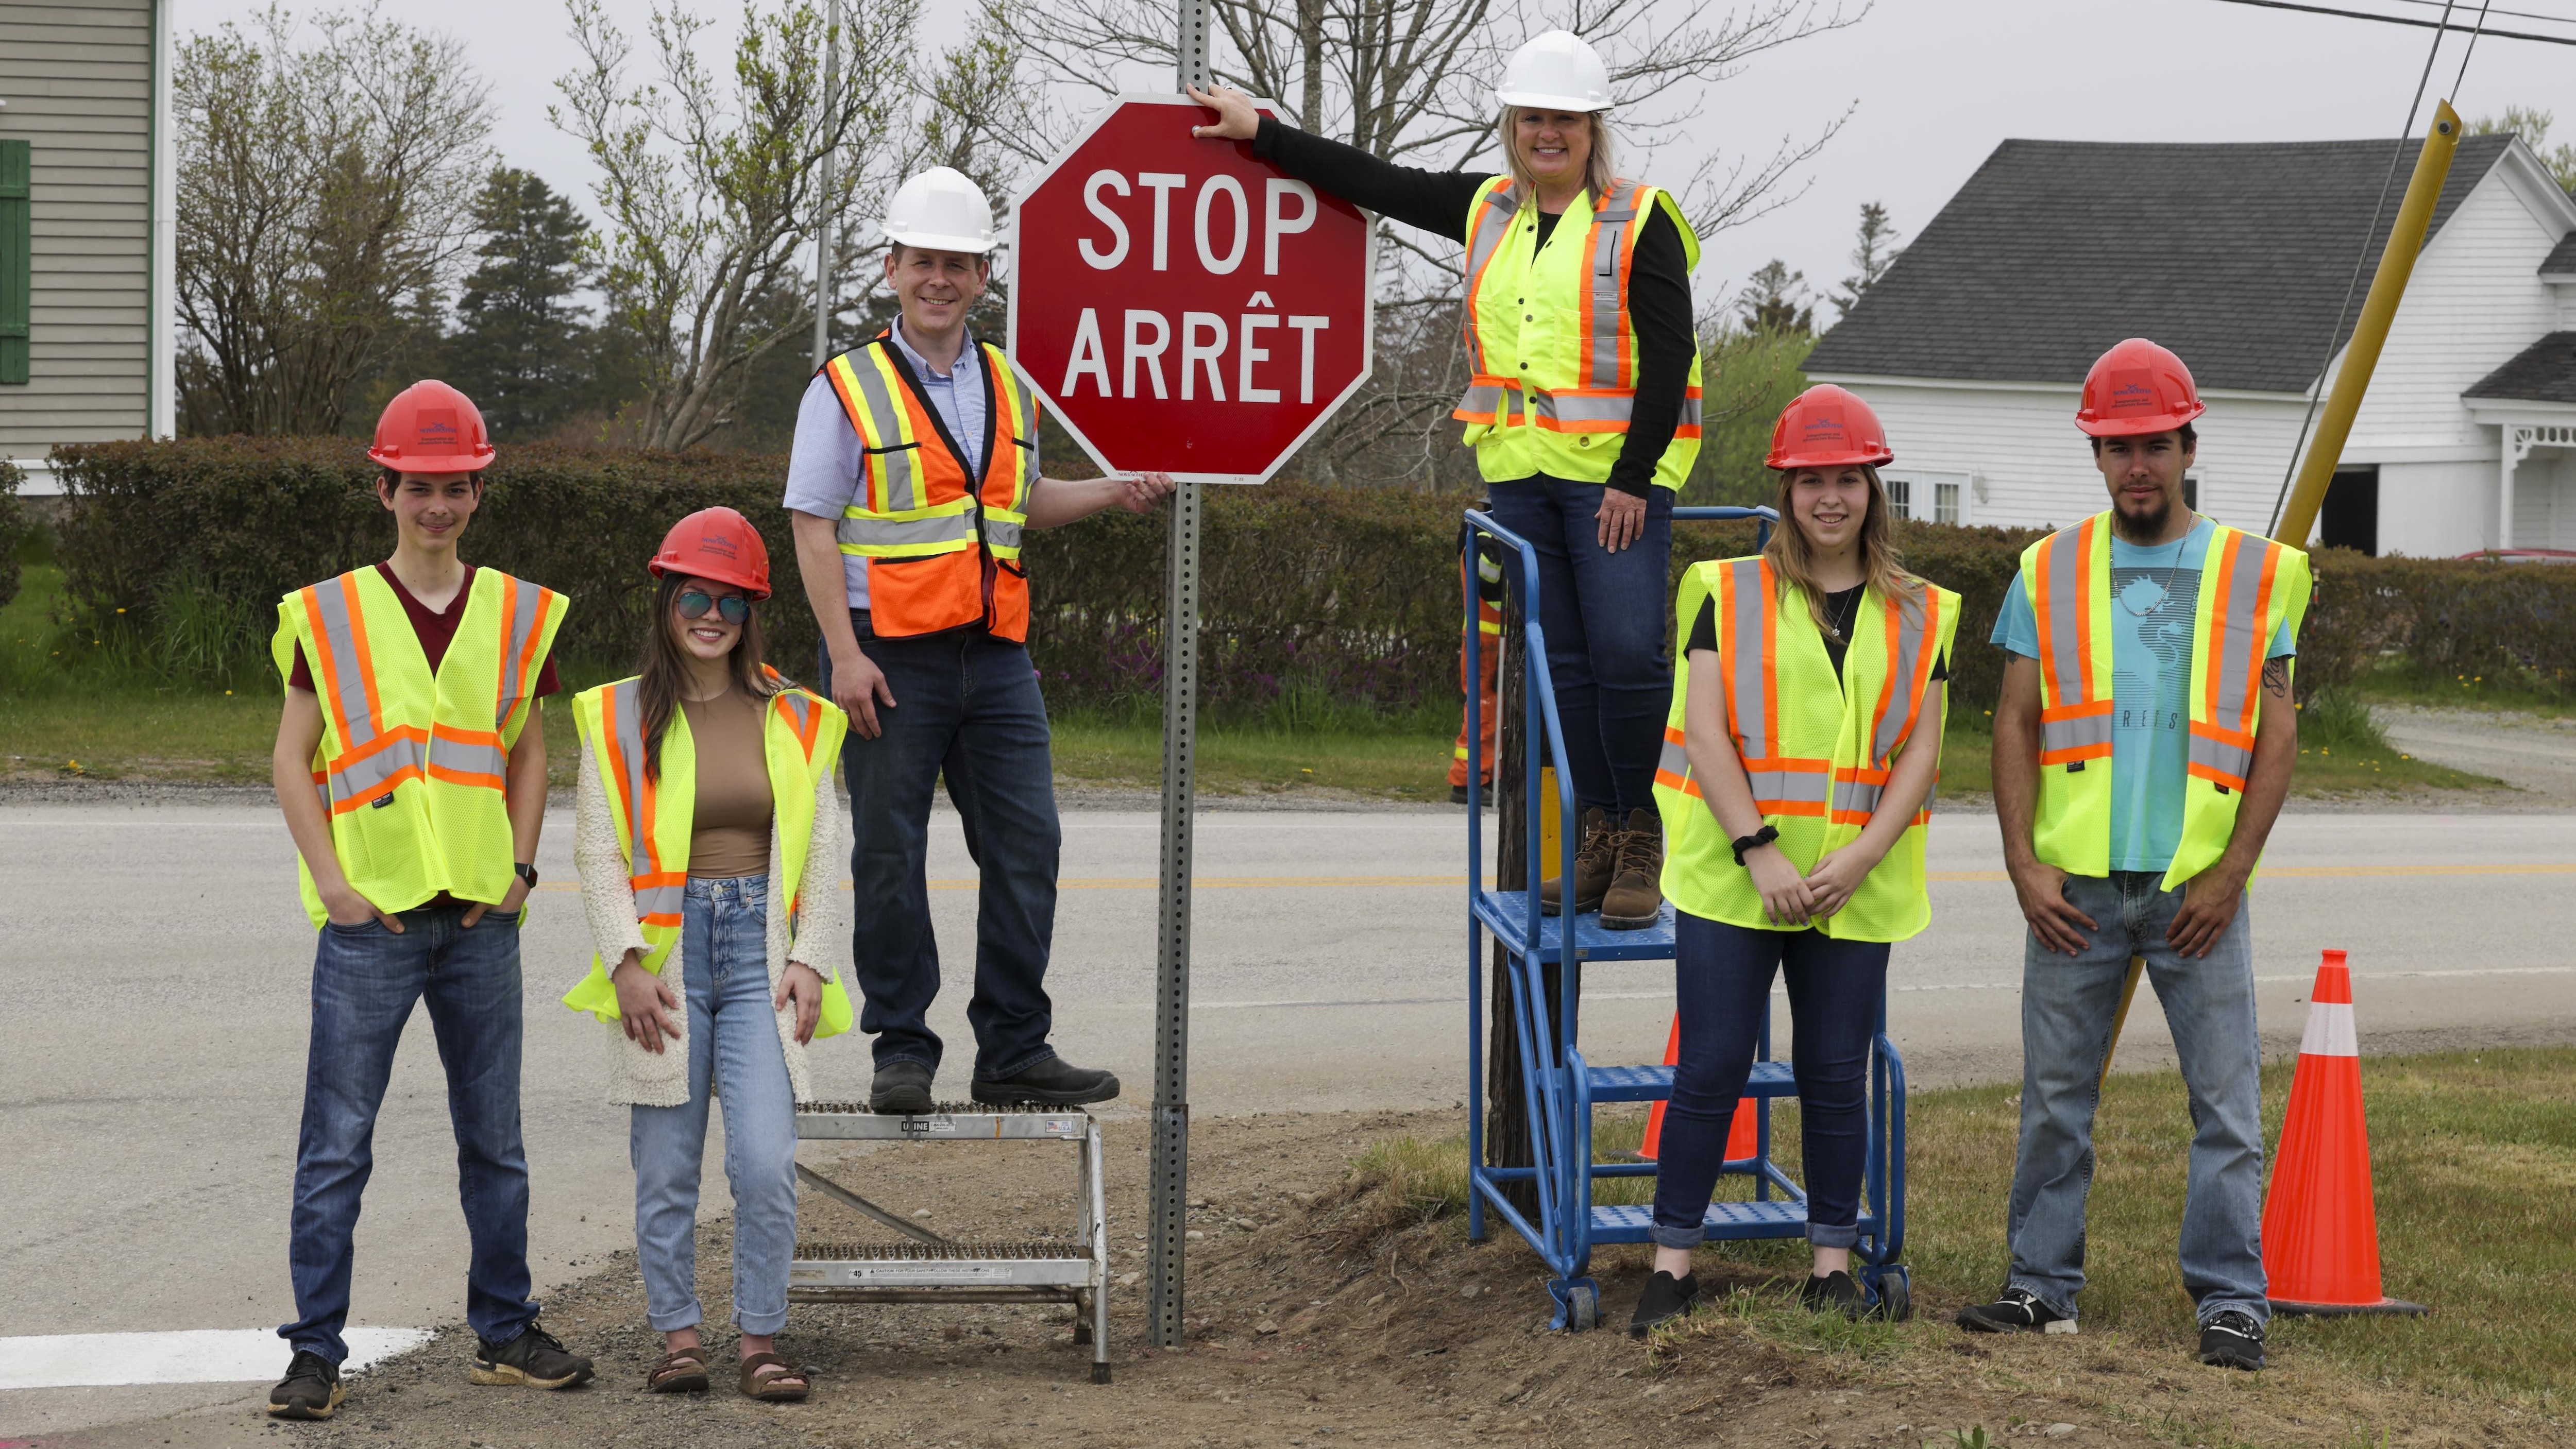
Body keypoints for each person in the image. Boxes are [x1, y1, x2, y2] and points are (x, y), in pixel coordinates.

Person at [1191, 29, 1703, 929]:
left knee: (1629, 659)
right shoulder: (1488, 208)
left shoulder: (1640, 216)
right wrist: (1259, 132)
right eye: (1533, 118)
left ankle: (1641, 838)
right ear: (1513, 125)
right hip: (1520, 480)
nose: (1547, 133)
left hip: (1613, 486)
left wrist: (1631, 479)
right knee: (1570, 669)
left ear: (1593, 130)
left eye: (1565, 121)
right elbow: (1375, 180)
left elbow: (1668, 361)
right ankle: (1595, 835)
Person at [784, 166, 1176, 1114]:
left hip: (995, 655)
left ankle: (1012, 1047)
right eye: (924, 261)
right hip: (890, 655)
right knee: (888, 851)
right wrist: (843, 654)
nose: (940, 280)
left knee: (1028, 844)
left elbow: (1019, 503)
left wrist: (1115, 489)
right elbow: (812, 523)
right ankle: (902, 1049)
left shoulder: (1009, 381)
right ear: (892, 268)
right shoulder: (846, 388)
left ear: (983, 276)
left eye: (958, 264)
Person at [1958, 338, 2310, 1372]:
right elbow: (2014, 719)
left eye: (2154, 444)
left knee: (2225, 1108)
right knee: (2055, 1098)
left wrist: (2230, 870)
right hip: (2072, 889)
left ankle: (2230, 1302)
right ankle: (2039, 1287)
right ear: (2097, 457)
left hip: (2195, 887)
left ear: (2188, 445)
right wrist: (2023, 864)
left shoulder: (2259, 572)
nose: (2137, 465)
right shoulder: (2047, 568)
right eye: (2117, 448)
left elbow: (2275, 734)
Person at [265, 381, 592, 1420]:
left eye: (456, 487)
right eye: (420, 486)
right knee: (336, 1145)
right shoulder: (329, 611)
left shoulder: (514, 612)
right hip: (374, 922)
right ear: (385, 488)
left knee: (494, 1139)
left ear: (477, 492)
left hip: (480, 920)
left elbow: (533, 751)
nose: (437, 505)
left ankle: (504, 1331)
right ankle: (315, 1349)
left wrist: (523, 871)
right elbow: (290, 757)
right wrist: (331, 882)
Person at [1628, 386, 1959, 1336]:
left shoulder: (1922, 611)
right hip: (1740, 877)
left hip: (1853, 882)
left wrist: (1858, 857)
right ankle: (1671, 1265)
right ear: (1787, 488)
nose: (1829, 497)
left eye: (1846, 479)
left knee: (1831, 1069)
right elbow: (1702, 729)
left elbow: (1922, 756)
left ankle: (1829, 1267)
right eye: (1812, 479)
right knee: (1714, 1065)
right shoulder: (1724, 589)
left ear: (1872, 489)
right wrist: (1759, 850)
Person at [563, 507, 850, 1403]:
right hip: (668, 959)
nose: (711, 613)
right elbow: (598, 849)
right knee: (667, 1167)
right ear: (667, 600)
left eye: (731, 598)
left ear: (753, 608)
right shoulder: (615, 715)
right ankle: (680, 1337)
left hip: (761, 951)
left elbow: (829, 845)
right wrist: (626, 960)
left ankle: (761, 1339)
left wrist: (811, 956)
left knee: (764, 1159)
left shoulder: (797, 715)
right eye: (696, 594)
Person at [1451, 510, 1504, 805]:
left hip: (1493, 638)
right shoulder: (1483, 540)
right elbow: (1490, 577)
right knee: (1484, 711)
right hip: (1487, 640)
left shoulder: (1482, 537)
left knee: (1497, 713)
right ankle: (1466, 782)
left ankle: (1488, 775)